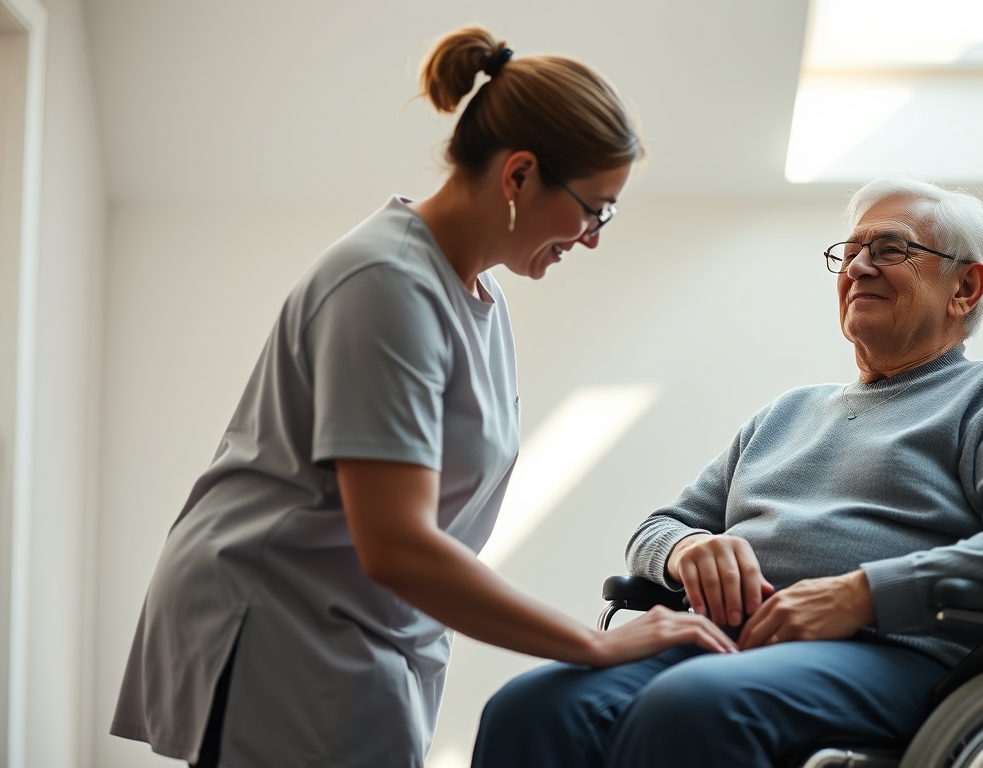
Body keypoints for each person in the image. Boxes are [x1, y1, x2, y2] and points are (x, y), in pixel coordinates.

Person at [110, 26, 734, 768]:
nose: (593, 236)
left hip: (360, 626)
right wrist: (594, 643)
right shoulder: (385, 285)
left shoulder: (483, 298)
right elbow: (399, 545)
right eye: (593, 208)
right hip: (277, 619)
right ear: (520, 175)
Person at [471, 178, 983, 768]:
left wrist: (858, 595)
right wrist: (688, 549)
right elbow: (657, 528)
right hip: (725, 648)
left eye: (890, 249)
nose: (857, 267)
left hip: (895, 655)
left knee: (691, 706)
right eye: (849, 252)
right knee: (531, 707)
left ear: (965, 288)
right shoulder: (787, 413)